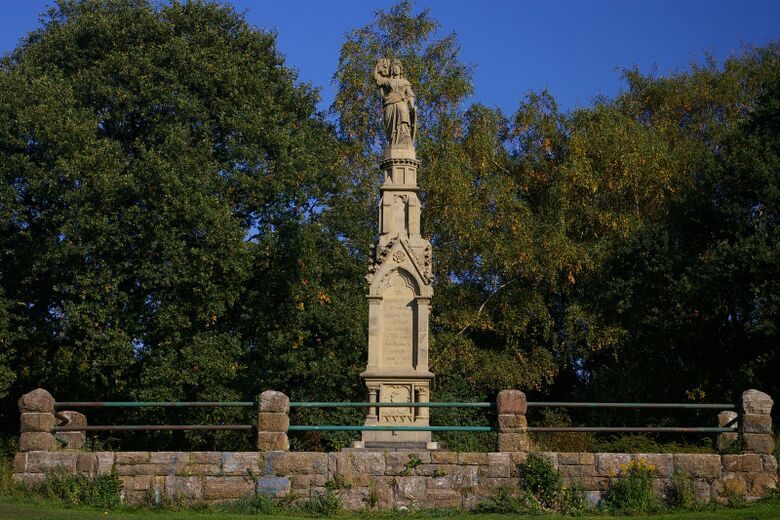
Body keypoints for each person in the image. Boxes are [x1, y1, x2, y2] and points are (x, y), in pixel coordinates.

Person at [373, 59, 417, 147]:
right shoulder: (388, 81)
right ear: (392, 70)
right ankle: (392, 141)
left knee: (403, 117)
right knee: (389, 122)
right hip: (389, 104)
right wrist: (378, 66)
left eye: (398, 68)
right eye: (394, 68)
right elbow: (377, 78)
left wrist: (412, 106)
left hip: (401, 103)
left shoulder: (405, 82)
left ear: (401, 70)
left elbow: (410, 94)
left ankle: (404, 140)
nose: (396, 70)